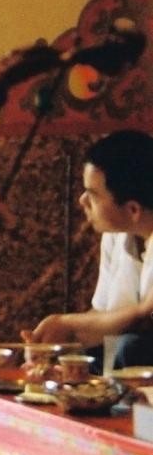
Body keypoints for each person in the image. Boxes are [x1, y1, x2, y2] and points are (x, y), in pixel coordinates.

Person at [25, 130, 153, 371]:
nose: (82, 201)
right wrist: (61, 349)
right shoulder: (116, 236)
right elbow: (103, 315)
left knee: (130, 346)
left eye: (93, 195)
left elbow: (143, 319)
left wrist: (68, 325)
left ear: (133, 210)